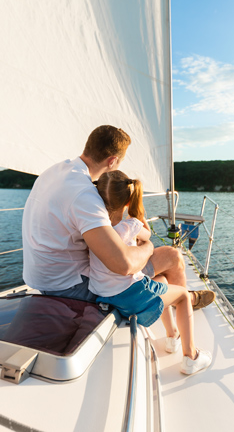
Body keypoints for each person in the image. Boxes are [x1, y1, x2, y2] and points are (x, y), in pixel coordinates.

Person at [22, 124, 215, 309]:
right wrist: (148, 247)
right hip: (71, 287)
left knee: (158, 272)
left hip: (42, 278)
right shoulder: (84, 194)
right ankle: (186, 301)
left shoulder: (55, 171)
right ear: (112, 161)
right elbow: (123, 265)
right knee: (172, 257)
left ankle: (177, 297)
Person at [90, 170, 212, 374]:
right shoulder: (132, 225)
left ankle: (173, 335)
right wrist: (137, 213)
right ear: (127, 202)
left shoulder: (96, 230)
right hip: (128, 296)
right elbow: (148, 238)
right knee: (181, 295)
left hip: (104, 294)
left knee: (163, 281)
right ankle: (191, 356)